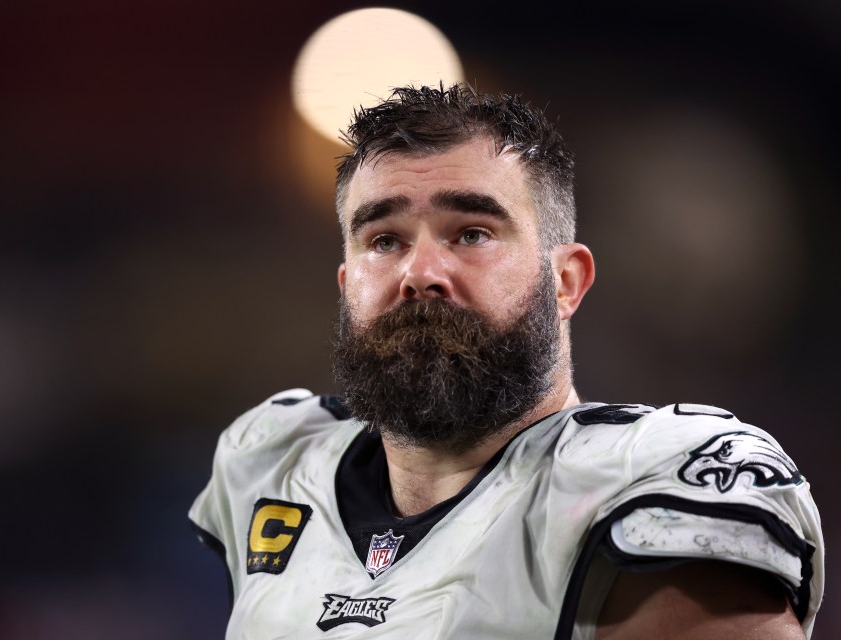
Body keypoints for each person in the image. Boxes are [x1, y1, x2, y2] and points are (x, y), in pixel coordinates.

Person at [189, 83, 823, 639]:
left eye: (471, 233)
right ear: (347, 282)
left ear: (566, 282)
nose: (420, 273)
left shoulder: (652, 485)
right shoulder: (272, 462)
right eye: (384, 241)